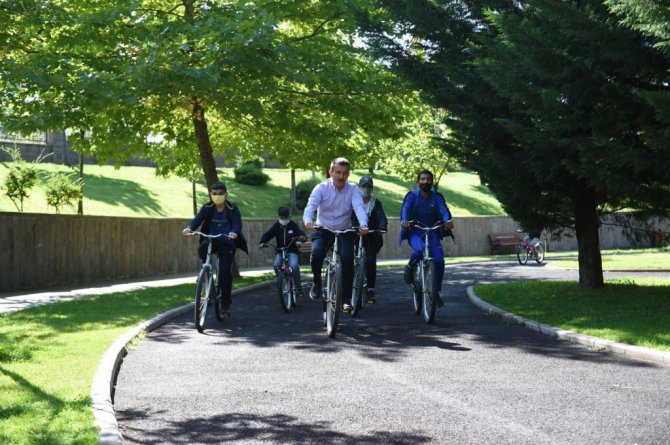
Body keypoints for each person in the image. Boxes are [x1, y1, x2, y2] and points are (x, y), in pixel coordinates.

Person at [303, 157, 369, 313]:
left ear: (348, 174)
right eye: (338, 172)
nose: (341, 176)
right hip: (323, 229)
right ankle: (317, 283)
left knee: (347, 258)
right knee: (317, 253)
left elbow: (359, 207)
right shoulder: (321, 188)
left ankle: (346, 299)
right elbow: (311, 206)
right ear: (330, 172)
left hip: (344, 231)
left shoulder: (352, 189)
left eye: (345, 173)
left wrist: (363, 224)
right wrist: (308, 220)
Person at [182, 181, 248, 317]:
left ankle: (225, 305)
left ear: (226, 194)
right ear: (211, 194)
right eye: (215, 193)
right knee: (202, 248)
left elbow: (237, 223)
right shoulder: (207, 207)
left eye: (220, 193)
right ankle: (206, 272)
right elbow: (197, 219)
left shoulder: (232, 208)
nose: (217, 196)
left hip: (227, 241)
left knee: (224, 273)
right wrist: (190, 228)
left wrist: (234, 232)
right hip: (211, 239)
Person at [399, 170, 454, 307]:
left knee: (439, 260)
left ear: (432, 182)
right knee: (420, 250)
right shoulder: (412, 196)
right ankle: (410, 267)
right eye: (423, 179)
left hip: (432, 232)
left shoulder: (437, 197)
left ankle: (435, 292)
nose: (426, 181)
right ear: (418, 182)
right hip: (415, 232)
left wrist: (447, 221)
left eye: (429, 179)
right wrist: (405, 220)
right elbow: (406, 208)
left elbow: (444, 210)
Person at [351, 176, 388, 304]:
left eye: (369, 186)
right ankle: (349, 286)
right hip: (355, 235)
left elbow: (381, 217)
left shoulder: (376, 203)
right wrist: (353, 227)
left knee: (371, 261)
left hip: (372, 235)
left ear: (372, 188)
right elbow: (349, 216)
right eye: (364, 186)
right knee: (349, 258)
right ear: (359, 187)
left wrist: (382, 226)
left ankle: (370, 289)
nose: (366, 189)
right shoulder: (354, 202)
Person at [259, 206, 307, 298]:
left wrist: (302, 237)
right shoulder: (276, 226)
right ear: (279, 217)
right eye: (282, 218)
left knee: (294, 266)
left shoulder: (292, 225)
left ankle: (298, 289)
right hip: (280, 251)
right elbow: (268, 234)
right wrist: (262, 242)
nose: (284, 220)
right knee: (276, 265)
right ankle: (281, 281)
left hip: (291, 251)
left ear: (288, 217)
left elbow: (301, 233)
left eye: (285, 218)